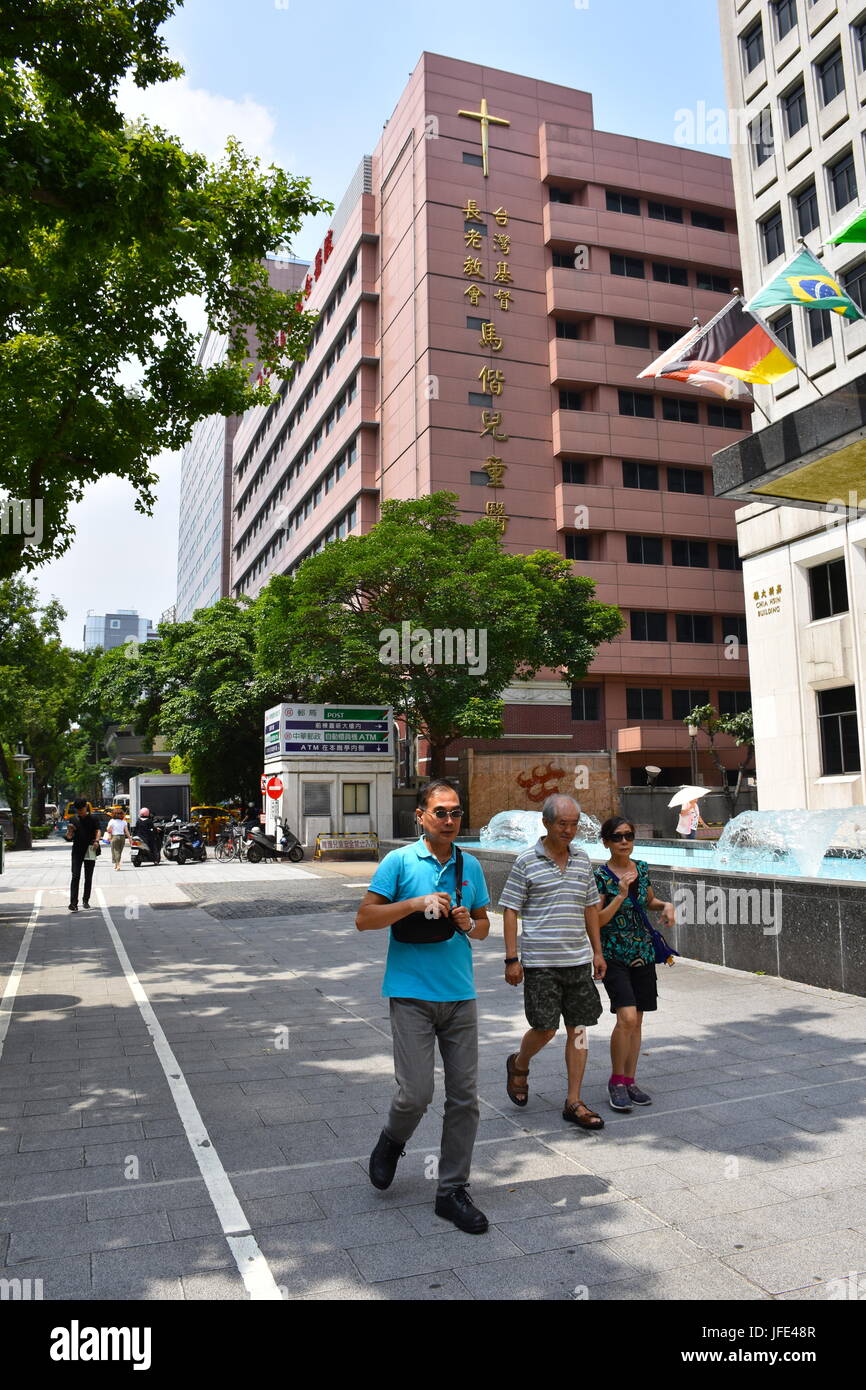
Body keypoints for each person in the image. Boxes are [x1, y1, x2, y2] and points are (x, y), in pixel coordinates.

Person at [355, 779, 491, 1234]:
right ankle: (392, 1140)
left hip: (460, 995)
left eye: (455, 812)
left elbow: (485, 927)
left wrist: (469, 921)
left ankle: (451, 1190)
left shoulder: (469, 865)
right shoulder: (398, 861)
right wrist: (413, 903)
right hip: (411, 994)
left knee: (464, 1098)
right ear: (420, 816)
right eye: (440, 812)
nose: (450, 820)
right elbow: (364, 919)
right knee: (416, 1094)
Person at [499, 794, 606, 1131]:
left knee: (578, 1029)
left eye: (574, 824)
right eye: (563, 824)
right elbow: (511, 910)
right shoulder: (526, 861)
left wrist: (597, 951)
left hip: (576, 961)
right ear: (546, 823)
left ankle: (574, 1101)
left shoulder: (582, 859)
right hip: (541, 963)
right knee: (545, 1028)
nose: (569, 830)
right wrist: (512, 959)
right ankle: (519, 1062)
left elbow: (591, 907)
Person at [594, 816, 676, 1112]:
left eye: (629, 835)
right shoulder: (601, 876)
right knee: (626, 1017)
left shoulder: (640, 868)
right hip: (614, 953)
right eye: (617, 837)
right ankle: (616, 1081)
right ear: (606, 842)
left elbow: (649, 902)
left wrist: (666, 906)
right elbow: (598, 919)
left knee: (638, 1020)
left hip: (641, 951)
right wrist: (620, 895)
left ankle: (630, 1080)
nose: (625, 841)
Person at [65, 798, 101, 911]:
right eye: (78, 810)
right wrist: (70, 831)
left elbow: (98, 830)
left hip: (90, 849)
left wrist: (96, 841)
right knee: (75, 876)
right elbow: (69, 837)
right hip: (77, 850)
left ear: (86, 807)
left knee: (88, 876)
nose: (80, 812)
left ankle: (86, 900)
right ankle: (73, 903)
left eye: (82, 809)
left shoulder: (93, 818)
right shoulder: (73, 819)